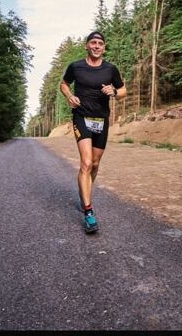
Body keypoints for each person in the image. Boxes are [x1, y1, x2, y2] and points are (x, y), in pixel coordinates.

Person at [60, 31, 126, 233]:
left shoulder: (110, 69)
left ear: (104, 48)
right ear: (87, 46)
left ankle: (85, 191)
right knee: (86, 162)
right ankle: (88, 211)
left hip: (102, 120)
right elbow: (63, 84)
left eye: (100, 43)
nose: (97, 46)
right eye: (93, 43)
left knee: (95, 164)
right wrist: (69, 96)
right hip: (81, 117)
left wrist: (114, 92)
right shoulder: (76, 66)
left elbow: (123, 91)